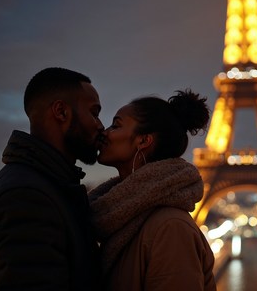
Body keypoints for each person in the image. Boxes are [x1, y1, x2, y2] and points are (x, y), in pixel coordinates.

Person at [0, 67, 104, 290]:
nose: (100, 126)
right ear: (61, 112)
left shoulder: (47, 187)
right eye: (94, 113)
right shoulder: (24, 198)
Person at [88, 89, 217, 290]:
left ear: (143, 140)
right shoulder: (119, 217)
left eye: (116, 125)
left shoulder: (171, 227)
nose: (104, 132)